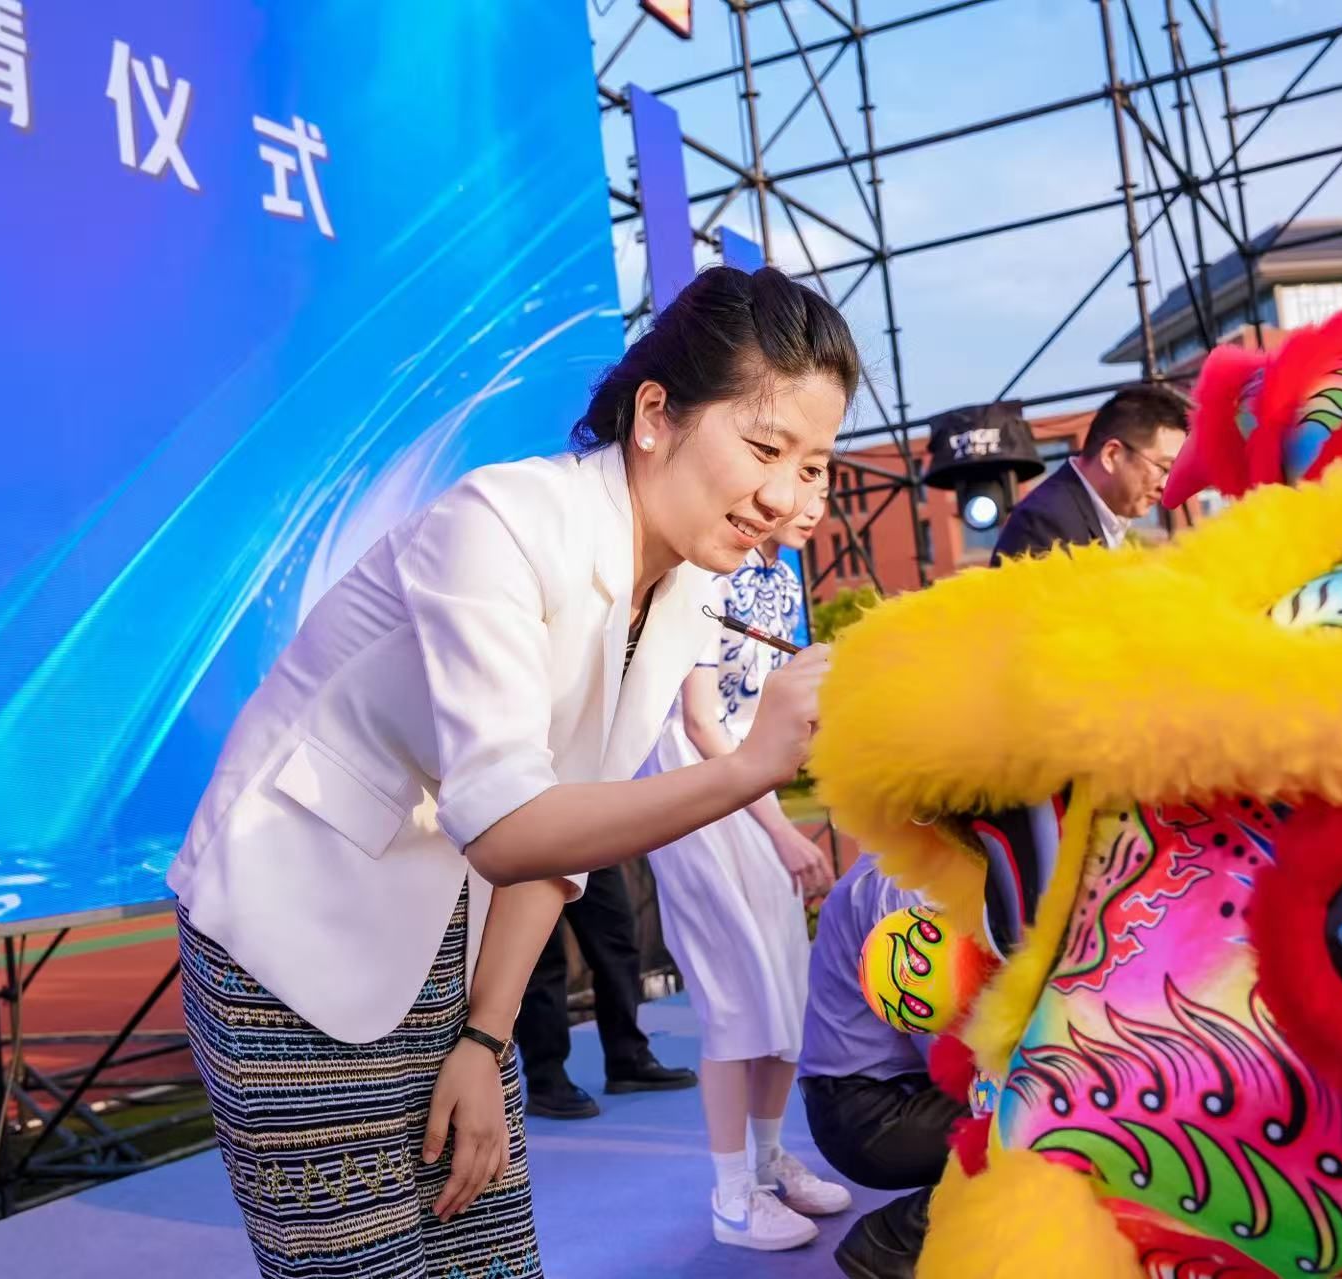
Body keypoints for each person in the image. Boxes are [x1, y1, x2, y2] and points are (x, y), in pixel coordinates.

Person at [166, 264, 859, 1279]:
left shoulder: (682, 593)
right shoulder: (498, 522)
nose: (785, 495)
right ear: (655, 415)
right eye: (765, 449)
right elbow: (507, 827)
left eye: (814, 465)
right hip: (288, 928)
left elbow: (558, 841)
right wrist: (754, 766)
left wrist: (485, 1042)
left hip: (446, 950)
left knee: (488, 1256)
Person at [643, 491, 850, 1252]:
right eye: (799, 473)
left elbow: (776, 708)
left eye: (822, 475)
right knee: (734, 992)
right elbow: (703, 722)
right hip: (697, 787)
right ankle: (732, 1193)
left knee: (783, 986)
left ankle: (767, 1163)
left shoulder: (785, 576)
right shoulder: (704, 575)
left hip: (751, 785)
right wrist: (782, 829)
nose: (813, 498)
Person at [798, 853, 970, 1279]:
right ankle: (899, 1238)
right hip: (869, 1113)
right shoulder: (907, 882)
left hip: (890, 1090)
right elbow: (954, 1055)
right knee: (1054, 1117)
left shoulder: (939, 863)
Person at [515, 869, 698, 1119]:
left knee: (617, 940)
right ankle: (546, 1079)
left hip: (586, 850)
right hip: (529, 854)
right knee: (542, 958)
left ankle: (628, 1057)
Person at [990, 383, 1190, 563]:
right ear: (1112, 455)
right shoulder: (1044, 525)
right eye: (1164, 468)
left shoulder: (1097, 515)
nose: (1166, 486)